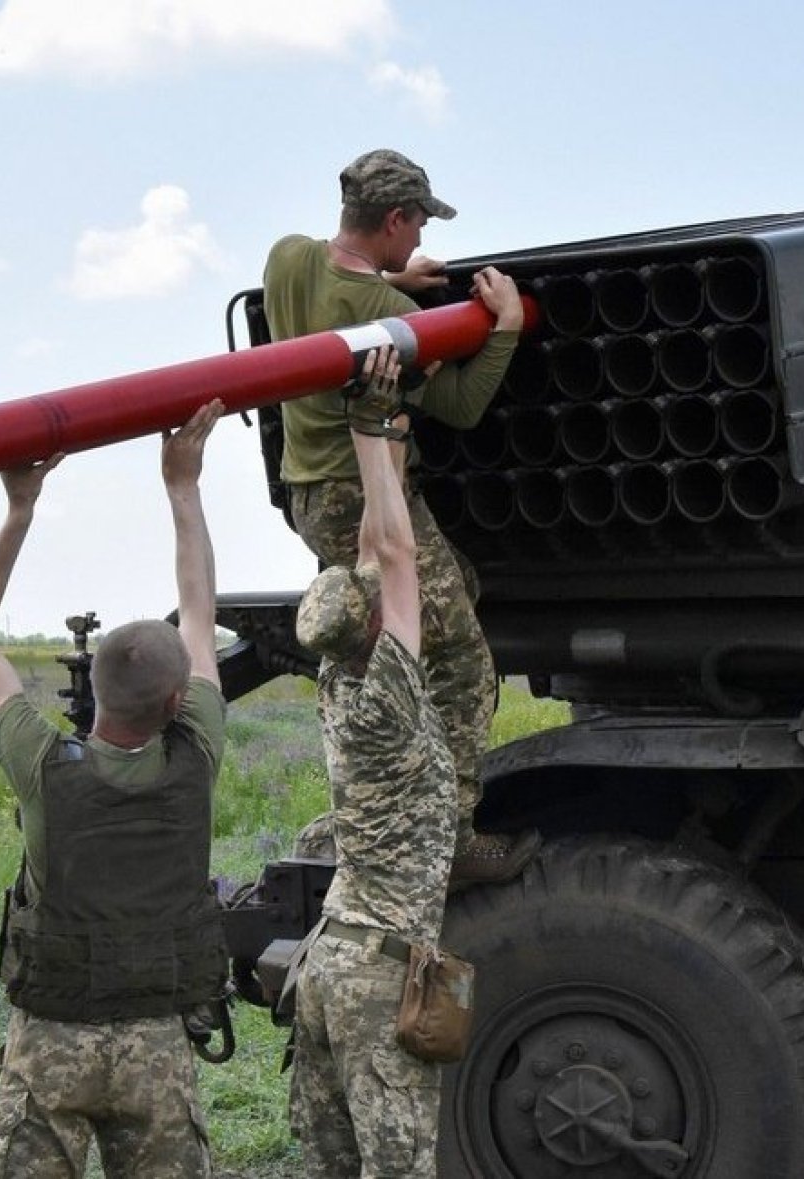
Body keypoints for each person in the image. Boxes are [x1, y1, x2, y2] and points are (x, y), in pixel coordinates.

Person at [0, 401, 230, 1178]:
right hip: (156, 1039)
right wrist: (183, 484)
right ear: (178, 704)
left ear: (94, 688)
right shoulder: (197, 753)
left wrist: (19, 508)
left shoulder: (41, 765)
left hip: (51, 1039)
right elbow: (201, 610)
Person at [262, 147, 537, 884]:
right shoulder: (389, 317)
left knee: (415, 624)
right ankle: (448, 838)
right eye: (417, 224)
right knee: (465, 666)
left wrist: (388, 278)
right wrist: (503, 327)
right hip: (368, 494)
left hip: (307, 492)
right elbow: (459, 404)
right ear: (394, 218)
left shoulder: (286, 259)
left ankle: (366, 808)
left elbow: (335, 288)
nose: (421, 240)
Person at [285, 349, 460, 1175]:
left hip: (328, 966)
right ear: (371, 627)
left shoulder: (336, 682)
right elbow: (394, 557)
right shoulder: (389, 695)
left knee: (329, 1163)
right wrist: (374, 425)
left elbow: (369, 553)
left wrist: (377, 441)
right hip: (376, 978)